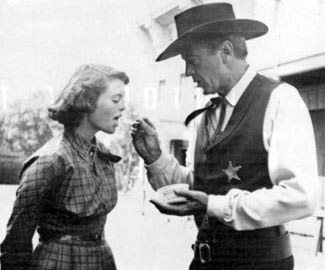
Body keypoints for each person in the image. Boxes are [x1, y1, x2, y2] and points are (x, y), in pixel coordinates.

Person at [132, 3, 318, 270]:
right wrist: (156, 159)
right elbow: (200, 188)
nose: (187, 73)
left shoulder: (280, 100)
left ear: (226, 51)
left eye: (192, 61)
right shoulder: (204, 116)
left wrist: (215, 205)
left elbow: (302, 197)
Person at [1, 63, 128, 270]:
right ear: (87, 101)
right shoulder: (50, 161)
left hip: (100, 259)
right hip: (59, 262)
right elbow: (17, 240)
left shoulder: (102, 154)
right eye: (116, 99)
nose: (123, 106)